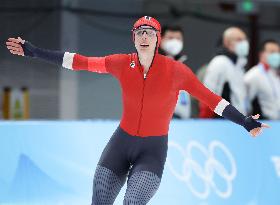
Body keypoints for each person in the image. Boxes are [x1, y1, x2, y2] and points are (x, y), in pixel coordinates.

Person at [6, 16, 269, 205]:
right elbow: (79, 62)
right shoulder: (121, 63)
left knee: (133, 202)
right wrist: (34, 52)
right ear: (134, 38)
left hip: (152, 151)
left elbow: (213, 100)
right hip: (121, 143)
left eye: (150, 32)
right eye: (139, 32)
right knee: (99, 198)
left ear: (157, 40)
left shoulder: (177, 72)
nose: (144, 36)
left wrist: (245, 121)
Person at [199, 27, 249, 118]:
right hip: (222, 121)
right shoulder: (219, 62)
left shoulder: (239, 67)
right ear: (227, 42)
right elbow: (208, 96)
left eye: (245, 40)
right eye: (239, 40)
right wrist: (206, 122)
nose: (244, 43)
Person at [159, 25, 190, 119]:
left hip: (181, 119)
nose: (175, 42)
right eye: (170, 38)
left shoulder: (182, 64)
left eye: (178, 39)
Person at [244, 39, 280, 120]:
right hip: (265, 122)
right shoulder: (253, 75)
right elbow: (245, 103)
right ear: (261, 54)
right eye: (272, 52)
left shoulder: (274, 74)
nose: (276, 55)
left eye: (278, 52)